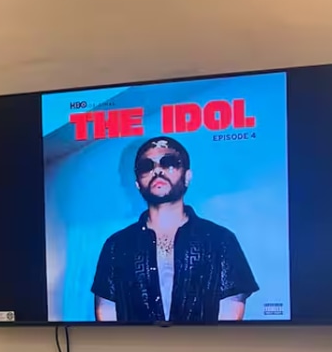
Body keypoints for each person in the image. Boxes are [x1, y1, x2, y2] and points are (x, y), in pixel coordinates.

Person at [91, 136, 257, 324]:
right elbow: (107, 311)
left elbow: (230, 314)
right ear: (137, 184)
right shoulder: (117, 245)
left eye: (168, 162)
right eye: (146, 166)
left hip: (206, 344)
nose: (157, 170)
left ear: (187, 176)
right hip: (132, 344)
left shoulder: (221, 240)